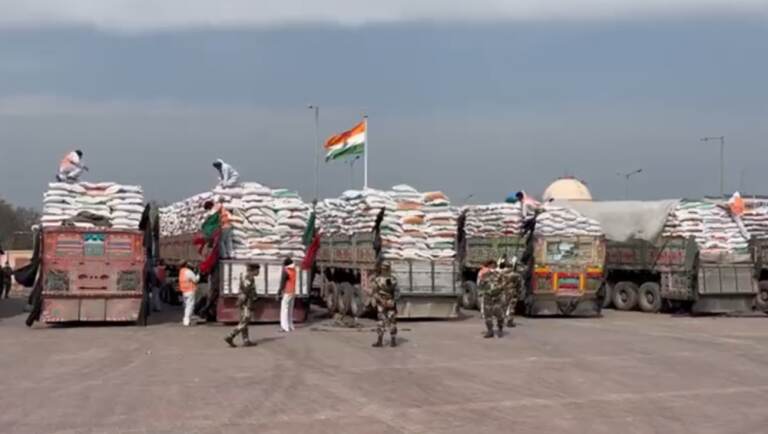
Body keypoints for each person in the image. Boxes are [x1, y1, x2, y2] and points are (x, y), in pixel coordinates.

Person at [479, 257, 522, 338]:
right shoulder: (484, 275)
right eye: (490, 266)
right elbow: (480, 285)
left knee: (499, 315)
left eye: (493, 266)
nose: (491, 268)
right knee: (488, 315)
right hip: (487, 297)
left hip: (497, 297)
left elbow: (504, 285)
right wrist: (484, 292)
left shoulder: (500, 275)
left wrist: (498, 289)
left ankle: (500, 329)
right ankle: (490, 331)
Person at [225, 264, 260, 347]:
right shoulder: (249, 279)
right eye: (257, 270)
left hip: (244, 303)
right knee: (245, 322)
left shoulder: (245, 277)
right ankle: (230, 336)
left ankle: (246, 340)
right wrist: (242, 301)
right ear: (253, 270)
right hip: (246, 304)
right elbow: (245, 291)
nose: (258, 272)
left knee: (244, 322)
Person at [370, 264, 398, 348]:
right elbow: (397, 293)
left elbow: (374, 292)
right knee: (391, 321)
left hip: (382, 302)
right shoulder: (393, 279)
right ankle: (392, 341)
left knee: (382, 321)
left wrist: (382, 301)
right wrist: (392, 301)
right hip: (389, 302)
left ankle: (380, 341)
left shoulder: (377, 280)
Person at [278, 258, 297, 332]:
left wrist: (279, 291)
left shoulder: (286, 270)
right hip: (293, 291)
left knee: (284, 309)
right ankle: (290, 325)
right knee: (290, 310)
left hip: (287, 291)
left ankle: (284, 327)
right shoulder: (294, 270)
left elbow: (282, 282)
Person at [178, 262, 199, 326]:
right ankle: (186, 320)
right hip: (190, 290)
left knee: (186, 305)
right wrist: (198, 275)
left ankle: (189, 318)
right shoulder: (188, 272)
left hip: (184, 291)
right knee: (190, 306)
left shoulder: (181, 272)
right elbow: (195, 280)